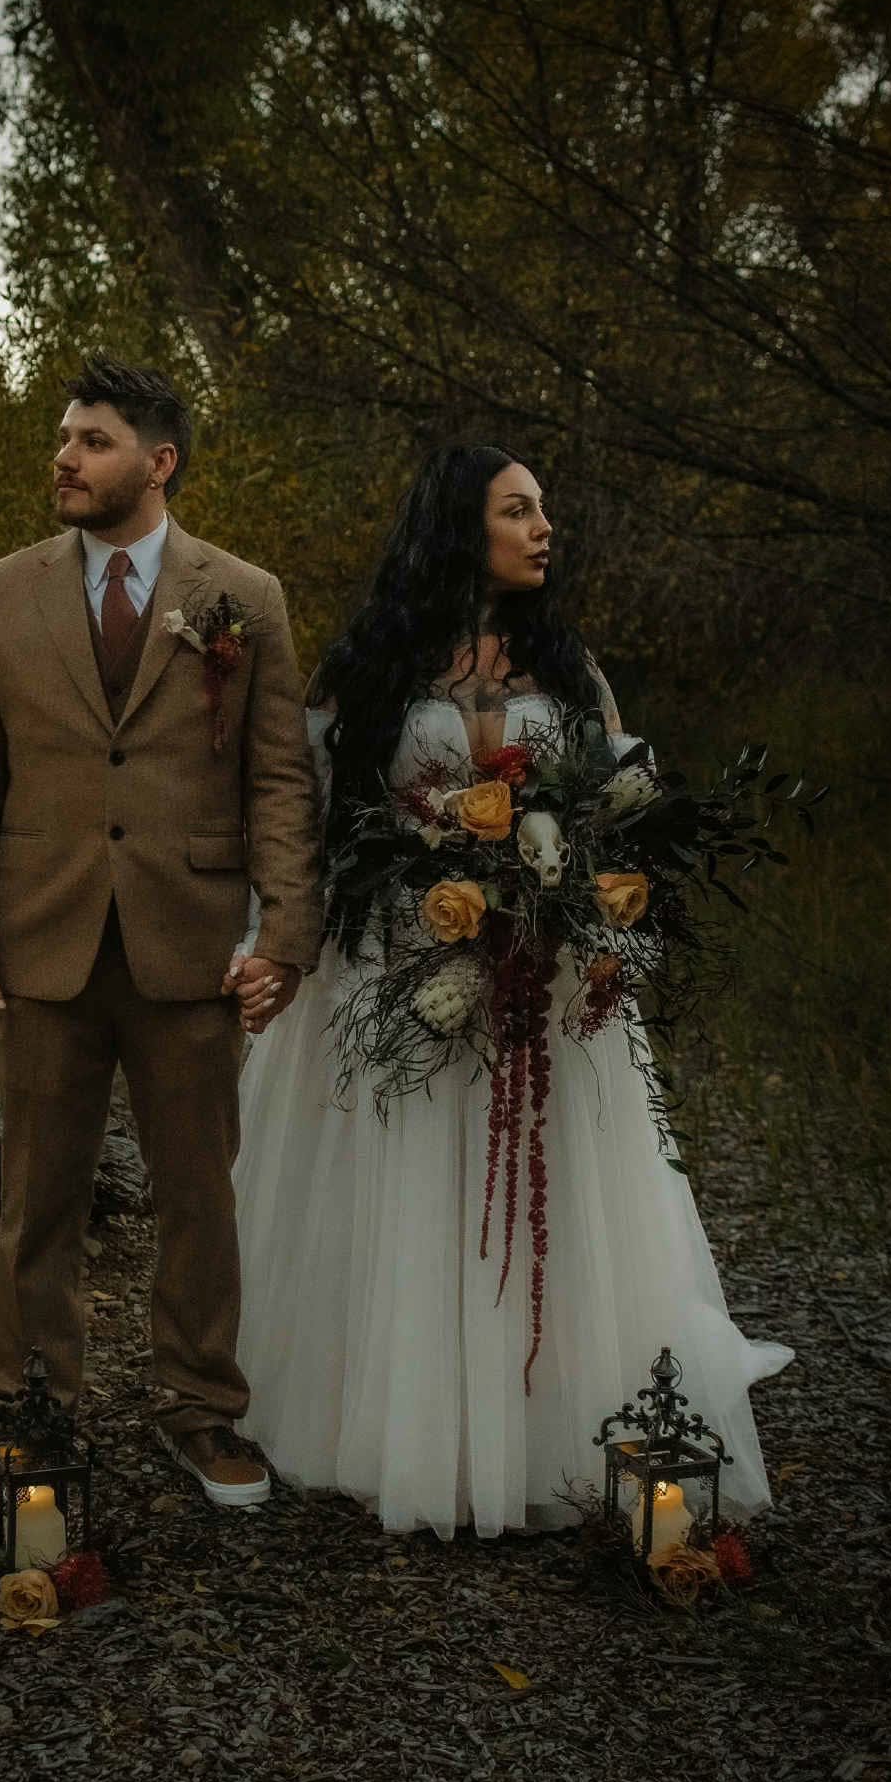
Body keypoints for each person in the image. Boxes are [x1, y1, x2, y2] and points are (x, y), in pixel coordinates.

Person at [232, 445, 793, 1539]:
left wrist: (598, 923)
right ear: (461, 524)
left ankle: (542, 1423)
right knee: (399, 1190)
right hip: (402, 967)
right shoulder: (371, 667)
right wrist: (295, 936)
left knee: (549, 1194)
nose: (545, 530)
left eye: (544, 511)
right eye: (519, 510)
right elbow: (308, 822)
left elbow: (618, 812)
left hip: (534, 972)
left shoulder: (568, 668)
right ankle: (401, 1418)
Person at [0, 354, 322, 1509]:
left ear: (158, 463)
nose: (64, 457)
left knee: (199, 1196)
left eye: (91, 441)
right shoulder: (0, 592)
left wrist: (284, 935)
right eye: (62, 438)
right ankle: (32, 1413)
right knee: (36, 1198)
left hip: (190, 948)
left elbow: (283, 783)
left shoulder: (245, 596)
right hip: (44, 944)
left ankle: (200, 1412)